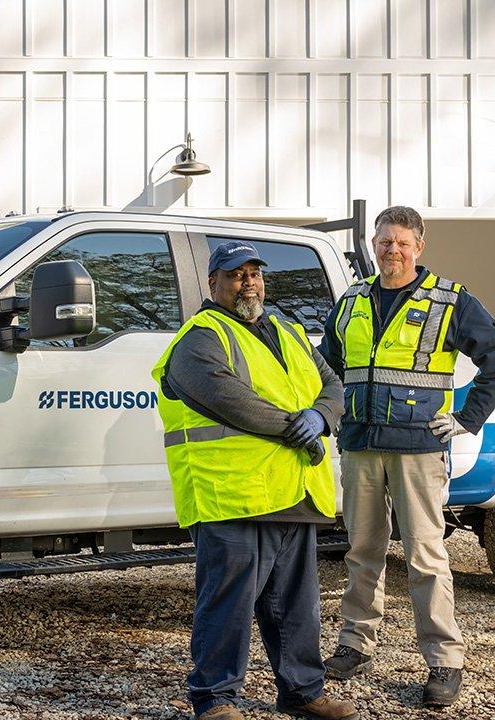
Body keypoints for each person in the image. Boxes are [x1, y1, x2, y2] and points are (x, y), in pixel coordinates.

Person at [318, 206, 495, 707]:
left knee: (425, 557)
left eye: (403, 243)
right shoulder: (351, 301)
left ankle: (445, 662)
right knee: (363, 551)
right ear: (373, 243)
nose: (393, 251)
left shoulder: (449, 301)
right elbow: (329, 368)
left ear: (419, 247)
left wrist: (469, 418)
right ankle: (354, 643)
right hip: (362, 445)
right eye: (385, 242)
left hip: (417, 449)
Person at [151, 240, 357, 720]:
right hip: (233, 494)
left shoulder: (287, 329)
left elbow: (331, 384)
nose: (249, 281)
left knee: (296, 606)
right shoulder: (200, 338)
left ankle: (303, 692)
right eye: (236, 273)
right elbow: (230, 400)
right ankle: (215, 698)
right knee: (228, 605)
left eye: (255, 273)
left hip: (294, 490)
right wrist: (296, 426)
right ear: (214, 283)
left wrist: (322, 417)